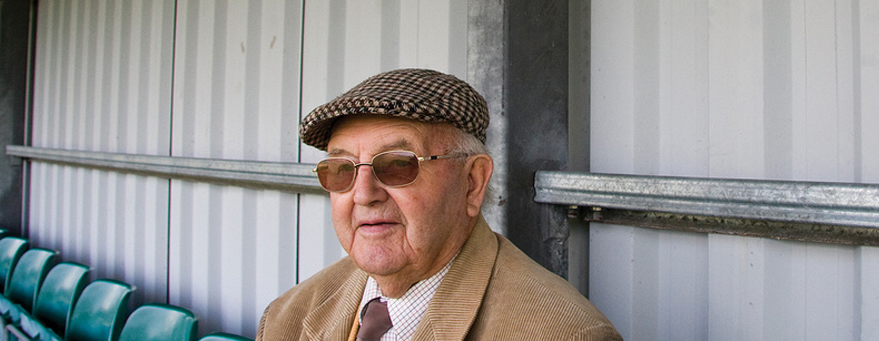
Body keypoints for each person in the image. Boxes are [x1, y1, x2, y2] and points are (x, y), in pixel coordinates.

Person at [257, 68, 622, 341]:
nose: (364, 193)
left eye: (399, 164)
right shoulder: (287, 317)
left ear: (472, 183)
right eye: (340, 170)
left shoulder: (565, 334)